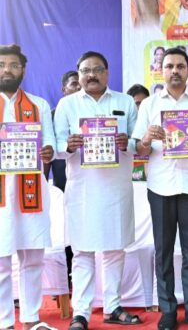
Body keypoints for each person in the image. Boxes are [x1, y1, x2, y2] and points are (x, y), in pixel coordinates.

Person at [133, 48, 188, 330]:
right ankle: (168, 310)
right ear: (161, 70)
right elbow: (139, 149)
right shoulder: (149, 105)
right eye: (169, 66)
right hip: (160, 185)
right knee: (164, 251)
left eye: (180, 66)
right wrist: (146, 138)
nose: (174, 71)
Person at [54, 51, 141, 330]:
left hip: (116, 188)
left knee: (115, 248)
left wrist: (128, 143)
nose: (91, 75)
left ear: (107, 73)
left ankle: (113, 306)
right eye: (85, 70)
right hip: (83, 190)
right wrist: (68, 146)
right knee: (82, 251)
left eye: (97, 69)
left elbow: (139, 144)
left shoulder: (125, 102)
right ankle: (81, 312)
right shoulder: (67, 105)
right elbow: (55, 147)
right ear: (79, 74)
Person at [0, 44, 57, 330]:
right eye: (1, 65)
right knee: (0, 261)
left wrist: (48, 151)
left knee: (33, 258)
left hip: (32, 190)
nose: (7, 70)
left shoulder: (38, 105)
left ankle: (31, 318)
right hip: (1, 195)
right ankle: (4, 321)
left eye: (13, 65)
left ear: (23, 70)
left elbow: (51, 144)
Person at [45, 70, 80, 192]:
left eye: (81, 84)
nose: (79, 87)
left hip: (86, 179)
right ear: (64, 90)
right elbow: (47, 150)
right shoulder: (51, 116)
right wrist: (44, 184)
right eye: (74, 84)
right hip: (62, 182)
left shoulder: (91, 113)